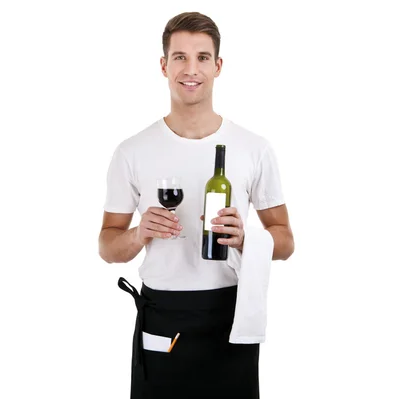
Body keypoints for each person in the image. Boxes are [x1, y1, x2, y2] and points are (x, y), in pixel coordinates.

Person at [98, 11, 295, 399]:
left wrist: (245, 239)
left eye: (203, 57)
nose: (191, 69)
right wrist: (139, 234)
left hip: (230, 315)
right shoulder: (131, 151)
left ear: (218, 66)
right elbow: (107, 246)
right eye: (180, 57)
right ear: (163, 65)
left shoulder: (254, 148)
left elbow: (286, 241)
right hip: (163, 315)